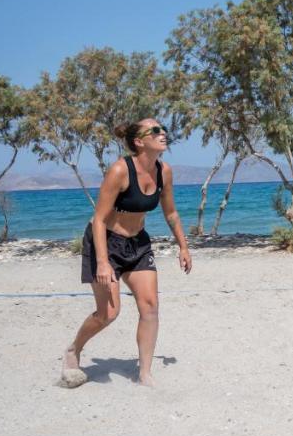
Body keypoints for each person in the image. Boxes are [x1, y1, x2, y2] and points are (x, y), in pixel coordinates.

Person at [60, 118, 193, 387]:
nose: (163, 133)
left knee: (150, 307)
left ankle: (144, 374)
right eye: (155, 131)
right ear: (139, 141)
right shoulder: (120, 170)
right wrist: (102, 262)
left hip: (138, 244)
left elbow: (171, 212)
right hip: (104, 243)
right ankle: (73, 349)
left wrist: (183, 245)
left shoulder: (164, 171)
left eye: (163, 128)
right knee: (108, 314)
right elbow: (99, 219)